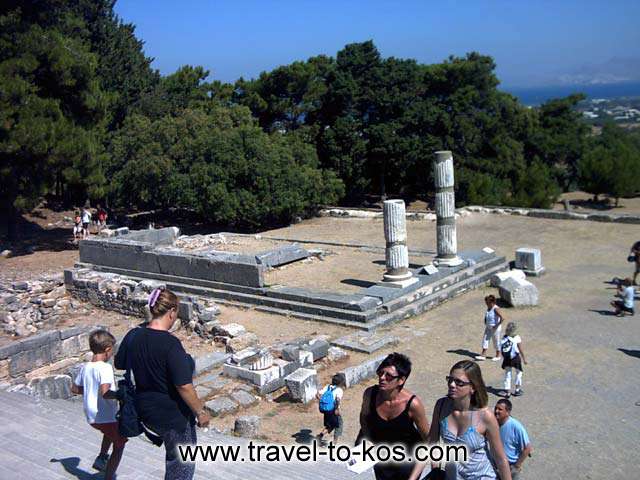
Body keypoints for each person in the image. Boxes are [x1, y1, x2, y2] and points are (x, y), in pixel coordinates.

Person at [115, 288, 210, 480]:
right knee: (180, 466)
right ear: (172, 311)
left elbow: (119, 363)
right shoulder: (171, 344)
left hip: (145, 414)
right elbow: (183, 385)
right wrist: (200, 412)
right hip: (173, 418)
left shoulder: (133, 335)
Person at [409, 360, 512, 480]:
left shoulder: (485, 416)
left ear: (473, 387)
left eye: (459, 382)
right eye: (450, 380)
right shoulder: (441, 406)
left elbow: (500, 459)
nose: (452, 385)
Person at [358, 352, 430, 480]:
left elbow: (428, 441)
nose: (382, 378)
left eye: (389, 376)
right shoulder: (370, 394)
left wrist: (413, 478)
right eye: (380, 373)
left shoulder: (413, 404)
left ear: (401, 380)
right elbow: (364, 419)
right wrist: (368, 440)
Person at [71, 329, 126, 480]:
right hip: (105, 416)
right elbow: (105, 392)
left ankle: (101, 458)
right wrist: (121, 396)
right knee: (120, 443)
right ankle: (108, 477)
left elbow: (74, 389)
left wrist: (90, 390)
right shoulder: (105, 367)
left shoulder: (85, 367)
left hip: (91, 416)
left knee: (109, 433)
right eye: (112, 351)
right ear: (108, 350)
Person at [494, 399, 533, 480]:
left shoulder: (516, 426)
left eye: (500, 409)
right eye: (496, 408)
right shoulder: (493, 423)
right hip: (496, 464)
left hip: (510, 466)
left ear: (507, 412)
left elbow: (528, 448)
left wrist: (516, 466)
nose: (496, 411)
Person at [316, 374, 345, 445]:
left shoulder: (327, 387)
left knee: (330, 425)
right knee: (339, 425)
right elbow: (337, 400)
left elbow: (317, 394)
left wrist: (321, 401)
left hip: (326, 410)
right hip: (333, 410)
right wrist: (337, 409)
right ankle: (335, 443)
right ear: (341, 382)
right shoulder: (339, 390)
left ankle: (320, 436)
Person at [500, 322, 527, 398]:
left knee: (507, 374)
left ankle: (507, 391)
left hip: (507, 359)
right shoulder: (517, 337)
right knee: (519, 373)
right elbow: (520, 349)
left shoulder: (504, 337)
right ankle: (517, 390)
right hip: (515, 358)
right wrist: (524, 358)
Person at [476, 295, 505, 362]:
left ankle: (498, 355)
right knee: (485, 339)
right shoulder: (489, 308)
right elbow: (487, 316)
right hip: (488, 327)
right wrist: (485, 321)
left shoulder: (496, 309)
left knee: (496, 341)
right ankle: (483, 355)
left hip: (495, 328)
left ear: (491, 302)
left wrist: (496, 326)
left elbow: (502, 318)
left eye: (487, 303)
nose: (486, 304)